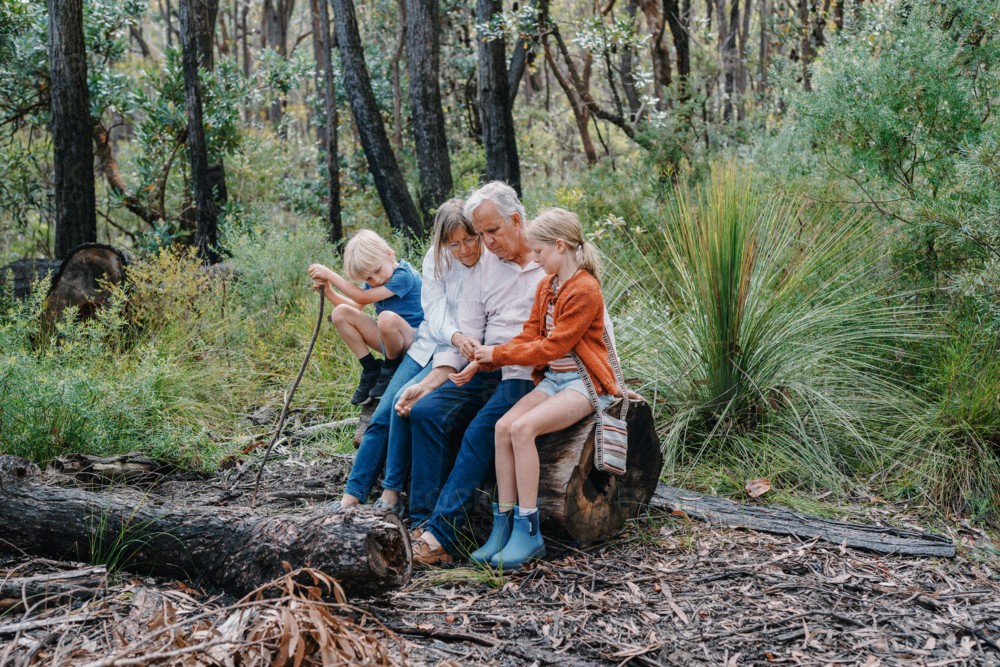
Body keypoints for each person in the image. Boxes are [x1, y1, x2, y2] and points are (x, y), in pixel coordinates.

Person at [469, 208, 619, 567]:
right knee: (502, 427)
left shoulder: (584, 289)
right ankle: (501, 527)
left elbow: (555, 347)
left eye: (539, 252)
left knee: (523, 429)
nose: (534, 258)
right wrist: (486, 358)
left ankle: (529, 530)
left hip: (584, 384)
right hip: (553, 380)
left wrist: (499, 353)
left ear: (560, 245)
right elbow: (530, 335)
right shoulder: (546, 286)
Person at [325, 201, 483, 514]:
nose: (461, 249)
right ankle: (352, 497)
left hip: (445, 352)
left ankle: (390, 495)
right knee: (384, 412)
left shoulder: (483, 265)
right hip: (426, 344)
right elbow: (434, 314)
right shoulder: (434, 261)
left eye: (467, 239)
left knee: (399, 407)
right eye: (452, 243)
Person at [309, 230, 423, 406]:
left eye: (377, 270)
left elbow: (363, 297)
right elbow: (355, 305)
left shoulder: (404, 275)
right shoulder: (375, 280)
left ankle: (391, 367)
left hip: (414, 340)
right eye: (368, 277)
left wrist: (331, 275)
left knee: (386, 318)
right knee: (340, 312)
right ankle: (371, 369)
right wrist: (329, 291)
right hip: (388, 340)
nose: (376, 280)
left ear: (389, 254)